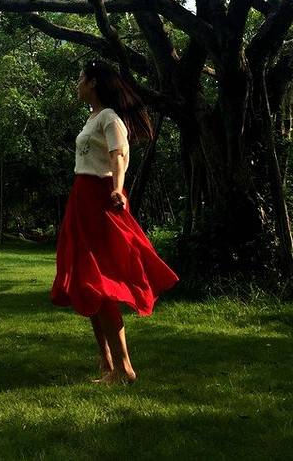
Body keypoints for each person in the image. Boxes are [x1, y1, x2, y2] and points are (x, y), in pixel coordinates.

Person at [50, 58, 179, 384]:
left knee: (100, 284)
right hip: (81, 199)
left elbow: (118, 155)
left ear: (93, 82)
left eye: (81, 78)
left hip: (100, 199)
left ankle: (124, 368)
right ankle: (107, 365)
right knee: (85, 283)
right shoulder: (93, 117)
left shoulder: (110, 118)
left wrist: (118, 189)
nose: (77, 83)